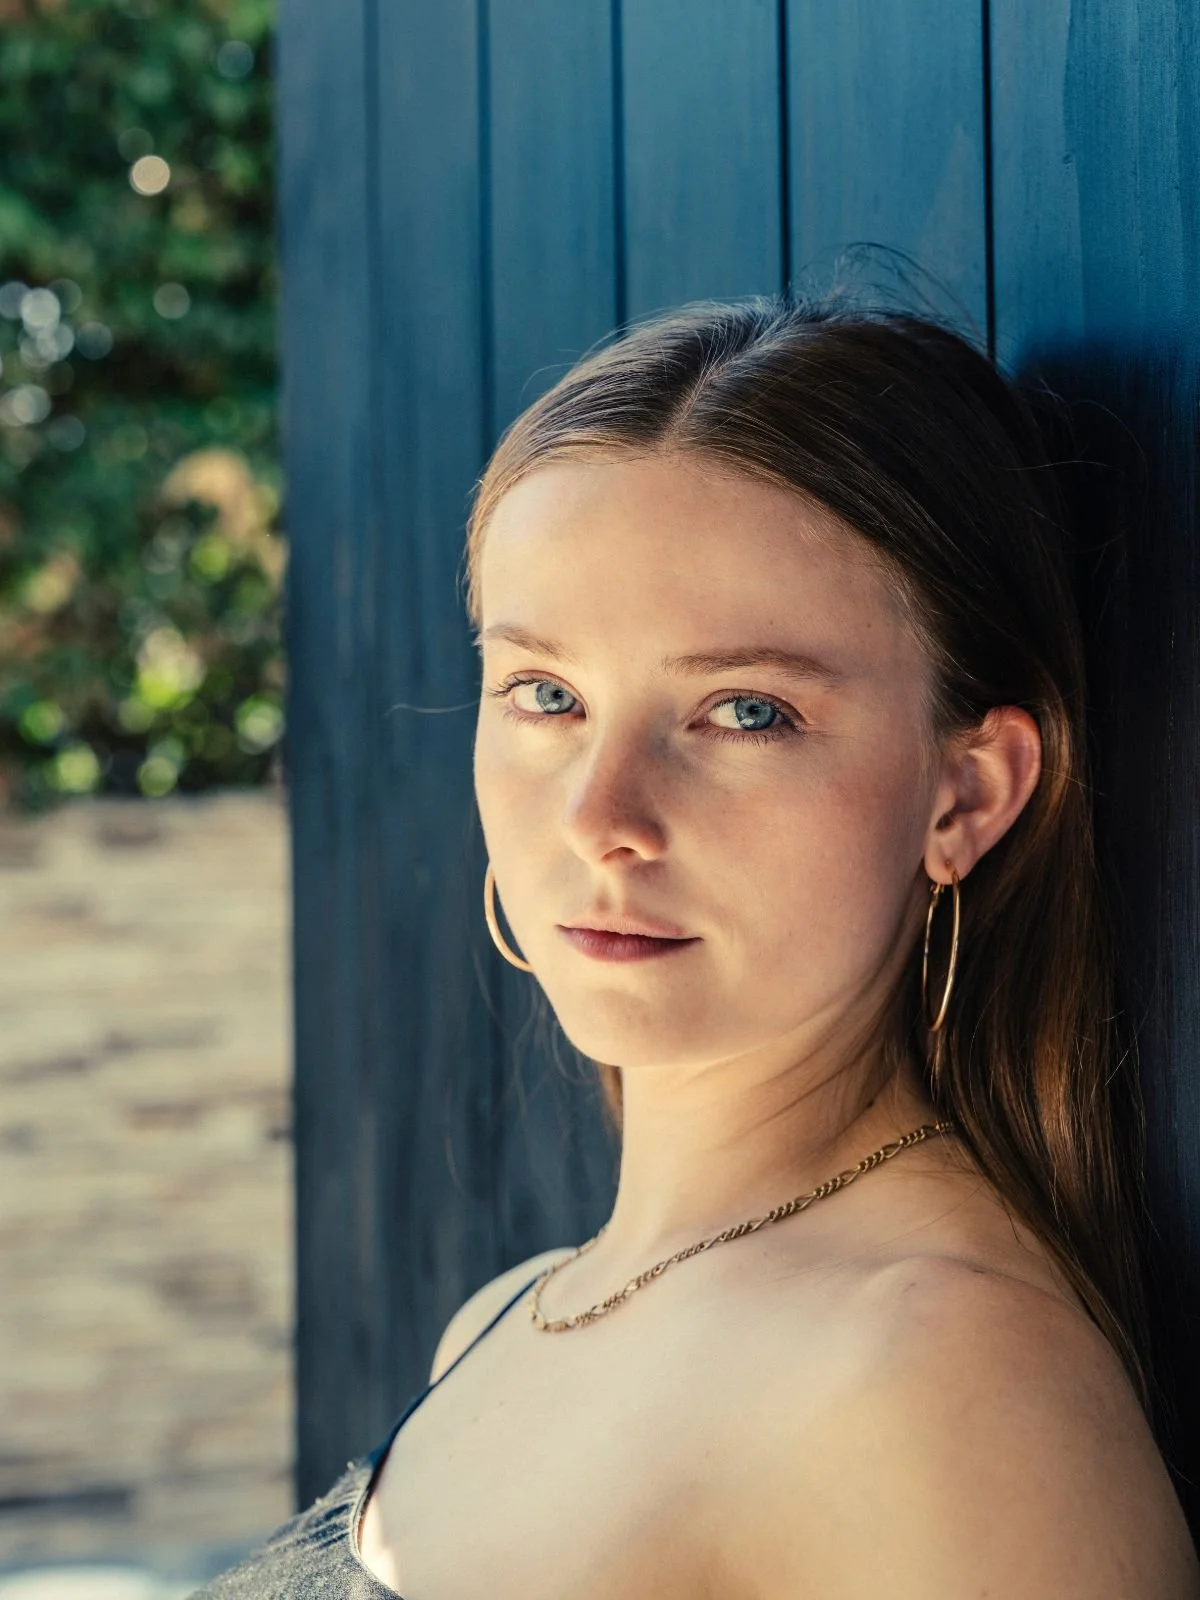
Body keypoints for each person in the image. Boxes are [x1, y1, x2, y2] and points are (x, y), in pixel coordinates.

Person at [193, 296, 1200, 1597]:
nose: (600, 816)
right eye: (546, 694)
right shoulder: (508, 1317)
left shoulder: (943, 1374)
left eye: (744, 711)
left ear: (967, 794)